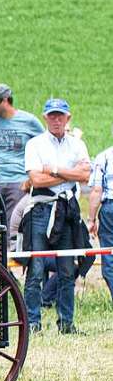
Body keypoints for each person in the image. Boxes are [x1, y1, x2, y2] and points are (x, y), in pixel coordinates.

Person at [22, 98, 91, 334]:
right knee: (36, 269)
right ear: (45, 118)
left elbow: (85, 175)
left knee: (66, 270)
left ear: (68, 118)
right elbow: (36, 180)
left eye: (60, 115)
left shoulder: (77, 145)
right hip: (41, 209)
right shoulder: (35, 144)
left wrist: (54, 169)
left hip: (67, 211)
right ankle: (32, 323)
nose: (56, 119)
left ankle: (66, 323)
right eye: (52, 115)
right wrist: (69, 175)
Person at [0, 83, 44, 224]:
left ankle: (11, 247)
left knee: (13, 226)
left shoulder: (29, 121)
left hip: (18, 182)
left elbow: (44, 145)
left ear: (5, 100)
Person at [88, 129, 113, 303]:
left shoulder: (104, 156)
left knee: (109, 257)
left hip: (109, 209)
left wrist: (91, 219)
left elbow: (97, 190)